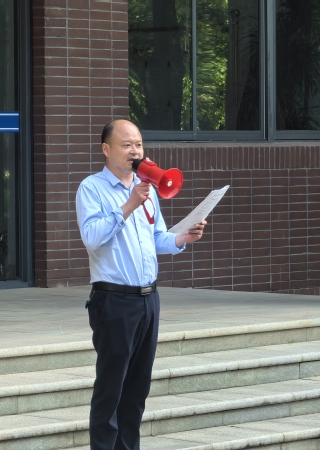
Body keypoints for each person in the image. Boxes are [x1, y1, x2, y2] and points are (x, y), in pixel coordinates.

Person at [75, 119, 206, 450]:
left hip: (148, 300)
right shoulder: (91, 188)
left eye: (139, 145)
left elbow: (157, 237)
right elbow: (92, 238)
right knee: (111, 389)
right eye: (126, 145)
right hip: (114, 301)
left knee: (136, 390)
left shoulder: (148, 189)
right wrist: (129, 204)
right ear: (106, 149)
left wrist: (183, 237)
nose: (135, 151)